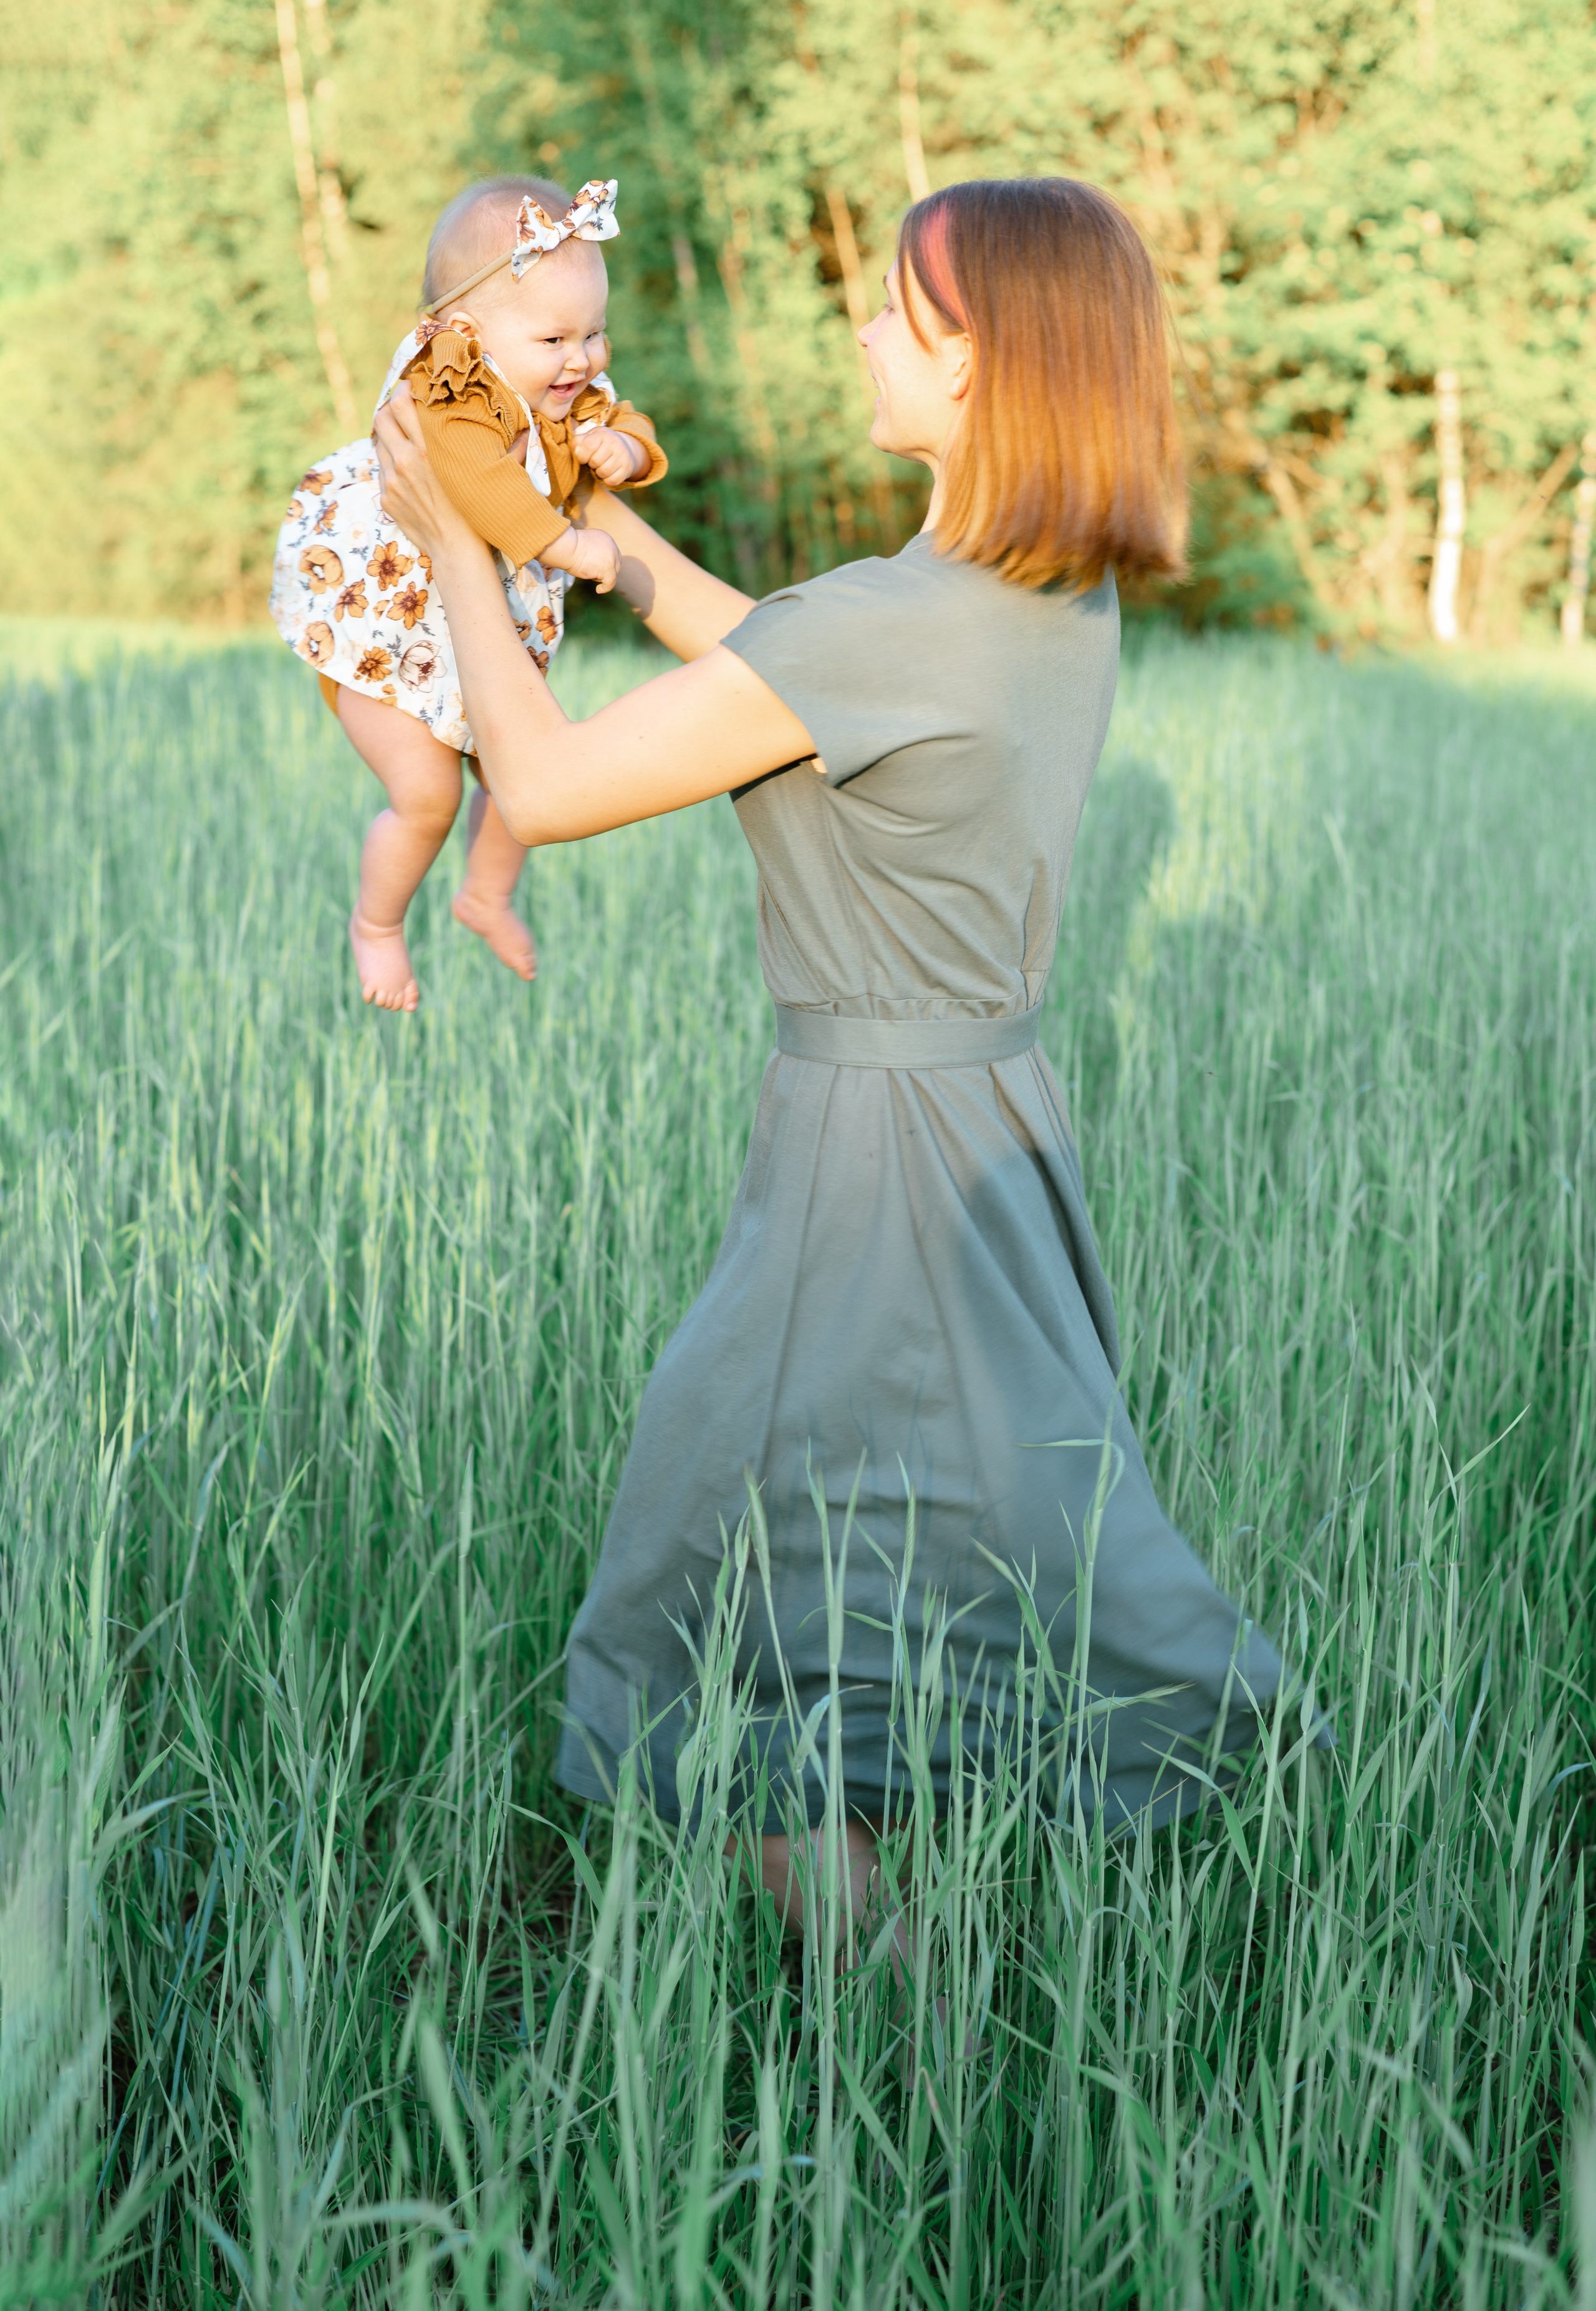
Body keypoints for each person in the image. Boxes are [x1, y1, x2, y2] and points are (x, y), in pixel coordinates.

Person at [372, 175, 1287, 1938]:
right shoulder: (1029, 596)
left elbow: (549, 788)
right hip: (984, 1128)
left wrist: (444, 544)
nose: (863, 327)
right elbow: (792, 666)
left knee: (710, 1610)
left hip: (867, 1172)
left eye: (901, 315)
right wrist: (607, 551)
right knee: (938, 1558)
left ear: (988, 373)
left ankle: (888, 2047)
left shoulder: (902, 619)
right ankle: (946, 2006)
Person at [270, 175, 666, 1012]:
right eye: (556, 338)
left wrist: (628, 450)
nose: (582, 359)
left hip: (473, 631)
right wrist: (566, 543)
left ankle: (486, 896)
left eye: (595, 334)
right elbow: (481, 485)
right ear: (464, 332)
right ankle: (378, 926)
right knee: (428, 796)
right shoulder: (448, 387)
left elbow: (627, 416)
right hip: (384, 627)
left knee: (525, 775)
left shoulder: (561, 386)